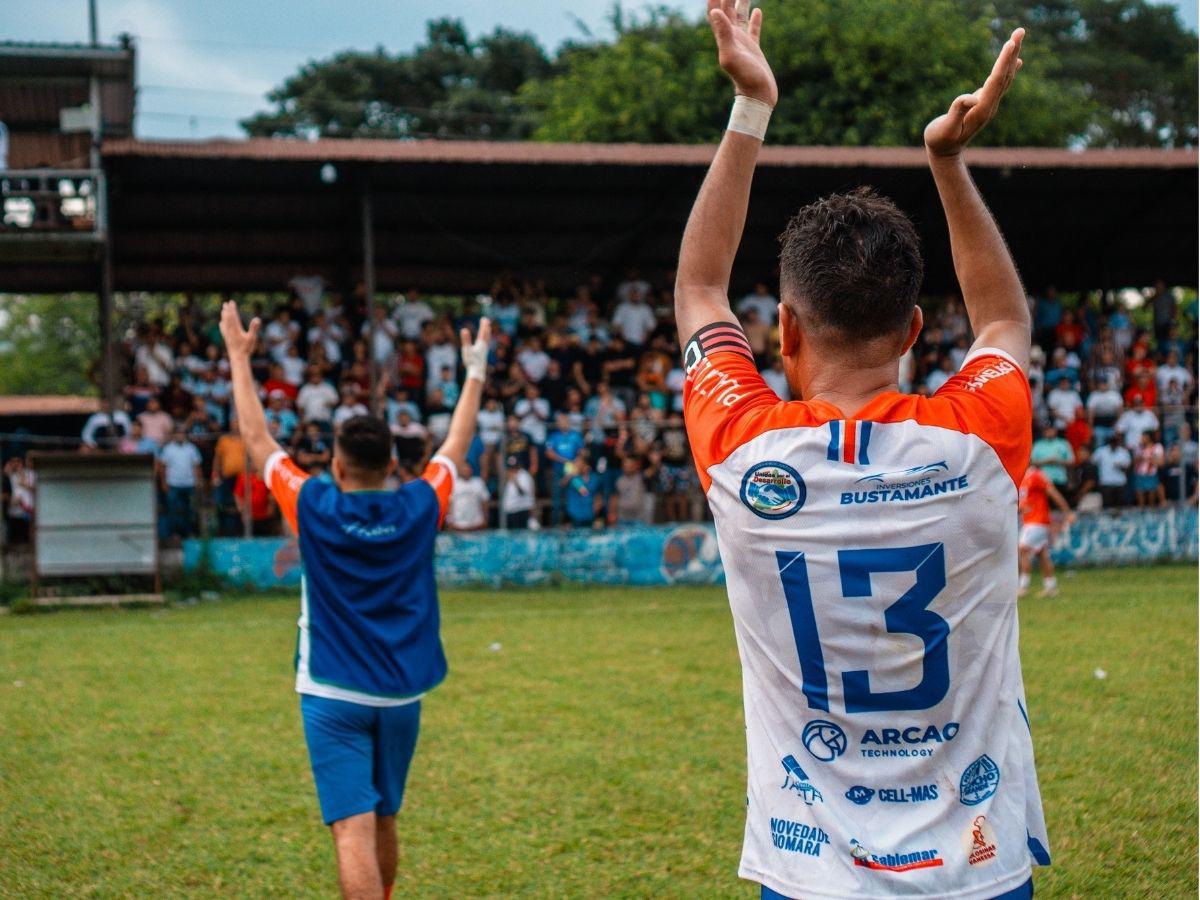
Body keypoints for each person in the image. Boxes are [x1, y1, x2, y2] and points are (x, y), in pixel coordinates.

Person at [674, 11, 1045, 898]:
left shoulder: (742, 451)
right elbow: (1002, 318)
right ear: (915, 329)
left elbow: (699, 286)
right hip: (976, 869)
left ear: (785, 330)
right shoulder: (979, 440)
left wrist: (752, 106)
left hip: (808, 871)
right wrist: (947, 160)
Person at [220, 300, 491, 900]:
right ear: (392, 464)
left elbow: (257, 439)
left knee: (352, 830)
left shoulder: (312, 504)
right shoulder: (421, 503)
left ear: (336, 468)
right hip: (401, 694)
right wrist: (474, 372)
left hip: (331, 692)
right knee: (386, 817)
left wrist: (239, 357)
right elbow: (456, 443)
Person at [1017, 465, 1076, 598]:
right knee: (1041, 554)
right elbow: (1026, 500)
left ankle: (1024, 587)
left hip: (1037, 521)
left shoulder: (1035, 475)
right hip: (1030, 520)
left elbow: (1053, 493)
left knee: (1022, 549)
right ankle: (1051, 587)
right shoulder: (1022, 476)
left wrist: (1067, 512)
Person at [159, 429, 203, 539]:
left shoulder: (191, 448)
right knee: (173, 511)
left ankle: (189, 533)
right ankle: (175, 534)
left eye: (182, 433)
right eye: (178, 433)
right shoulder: (168, 449)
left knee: (191, 510)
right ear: (174, 435)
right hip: (173, 484)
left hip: (190, 484)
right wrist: (164, 482)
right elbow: (162, 467)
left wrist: (198, 480)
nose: (180, 436)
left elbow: (196, 466)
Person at [1092, 431, 1132, 509]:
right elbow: (1093, 462)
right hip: (1105, 482)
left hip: (1119, 482)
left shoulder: (1123, 452)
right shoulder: (1101, 451)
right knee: (1107, 505)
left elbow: (1128, 468)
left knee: (1119, 506)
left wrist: (1121, 467)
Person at [446, 463, 490, 531]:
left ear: (471, 470)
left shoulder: (478, 482)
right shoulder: (453, 484)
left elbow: (485, 501)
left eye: (468, 469)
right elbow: (449, 504)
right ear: (459, 471)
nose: (466, 471)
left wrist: (485, 519)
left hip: (477, 523)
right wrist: (449, 521)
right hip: (458, 524)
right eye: (464, 469)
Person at [1132, 431, 1165, 508]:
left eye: (1143, 437)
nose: (1141, 439)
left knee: (1151, 497)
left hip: (1151, 474)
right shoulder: (1138, 448)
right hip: (1139, 474)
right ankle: (1141, 510)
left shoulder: (1157, 447)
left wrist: (1150, 459)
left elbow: (1161, 462)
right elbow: (1133, 462)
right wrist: (1140, 458)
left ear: (1149, 438)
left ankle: (1151, 510)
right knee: (1140, 494)